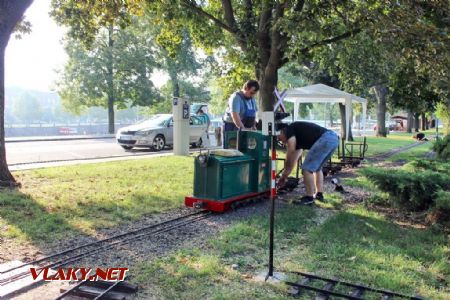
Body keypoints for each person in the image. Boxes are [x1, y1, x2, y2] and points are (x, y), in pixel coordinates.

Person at [277, 122, 339, 205]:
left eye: (279, 137)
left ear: (282, 131)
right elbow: (291, 163)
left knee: (307, 169)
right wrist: (283, 177)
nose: (279, 140)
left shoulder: (289, 129)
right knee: (317, 168)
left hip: (326, 138)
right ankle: (319, 194)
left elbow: (290, 151)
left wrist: (283, 176)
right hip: (333, 139)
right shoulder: (297, 140)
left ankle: (309, 198)